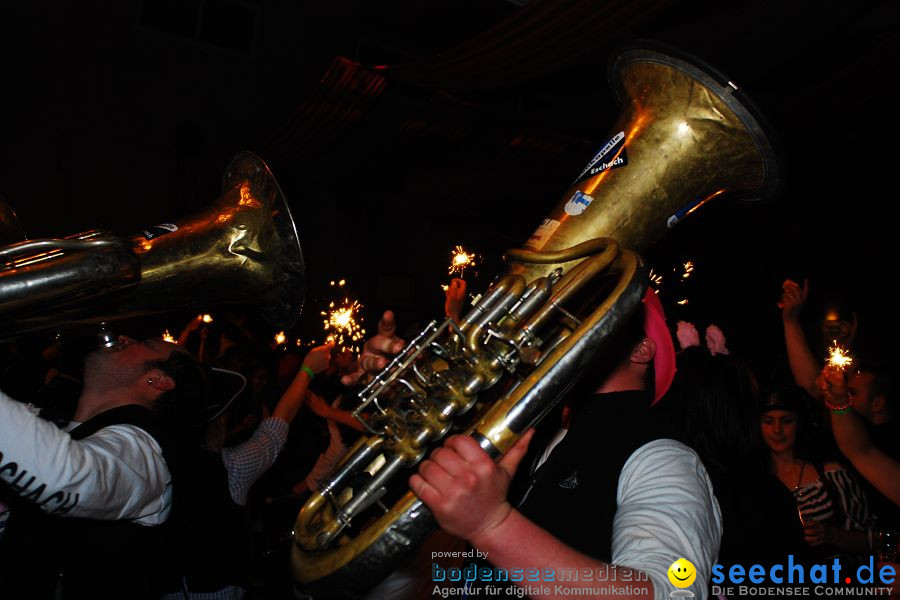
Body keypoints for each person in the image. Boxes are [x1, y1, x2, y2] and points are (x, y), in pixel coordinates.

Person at [411, 290, 723, 600]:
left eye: (589, 320)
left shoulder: (665, 457)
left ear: (640, 350)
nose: (560, 334)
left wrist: (492, 526)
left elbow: (671, 593)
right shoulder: (543, 433)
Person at [0, 334, 215, 599]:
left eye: (146, 344)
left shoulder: (143, 452)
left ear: (157, 380)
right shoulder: (54, 424)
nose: (124, 337)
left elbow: (67, 478)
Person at [161, 343, 333, 600]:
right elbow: (279, 423)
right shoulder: (231, 468)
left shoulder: (150, 460)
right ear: (218, 421)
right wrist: (307, 370)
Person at [758, 386, 873, 565]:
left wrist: (830, 534)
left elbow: (869, 542)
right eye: (768, 421)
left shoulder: (831, 474)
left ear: (799, 423)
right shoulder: (754, 481)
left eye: (786, 421)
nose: (777, 429)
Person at [819, 365, 900, 507]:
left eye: (852, 393)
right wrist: (837, 402)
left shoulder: (886, 440)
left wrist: (840, 402)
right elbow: (859, 451)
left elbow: (860, 450)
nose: (848, 397)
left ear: (877, 403)